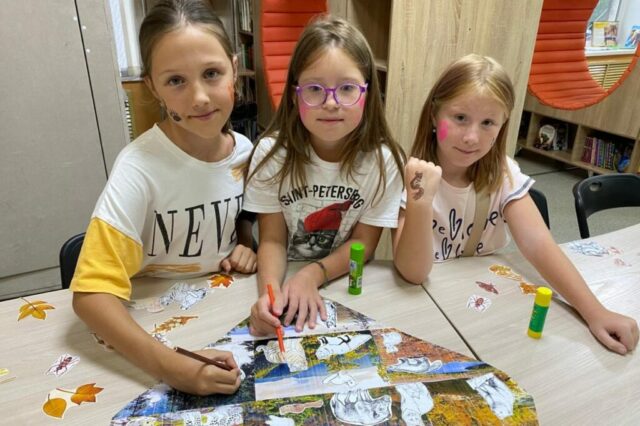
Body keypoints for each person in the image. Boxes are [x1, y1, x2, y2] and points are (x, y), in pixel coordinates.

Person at [393, 53, 639, 355]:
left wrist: (595, 312)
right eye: (460, 118)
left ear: (502, 126)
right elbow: (414, 273)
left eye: (488, 123)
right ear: (434, 115)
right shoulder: (410, 175)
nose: (471, 137)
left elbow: (539, 244)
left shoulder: (502, 173)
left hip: (483, 305)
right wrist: (420, 201)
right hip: (426, 307)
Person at [70, 0, 257, 395]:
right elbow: (90, 295)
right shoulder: (138, 168)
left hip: (219, 310)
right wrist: (173, 368)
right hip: (150, 324)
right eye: (176, 81)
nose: (200, 97)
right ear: (153, 87)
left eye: (212, 73)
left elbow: (239, 214)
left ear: (234, 69)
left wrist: (246, 243)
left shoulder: (245, 152)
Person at [245, 17, 405, 335]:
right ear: (295, 95)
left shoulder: (384, 162)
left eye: (347, 88)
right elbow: (273, 239)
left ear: (367, 93)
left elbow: (363, 243)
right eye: (315, 89)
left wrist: (312, 275)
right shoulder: (270, 154)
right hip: (284, 277)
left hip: (343, 283)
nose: (331, 103)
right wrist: (270, 295)